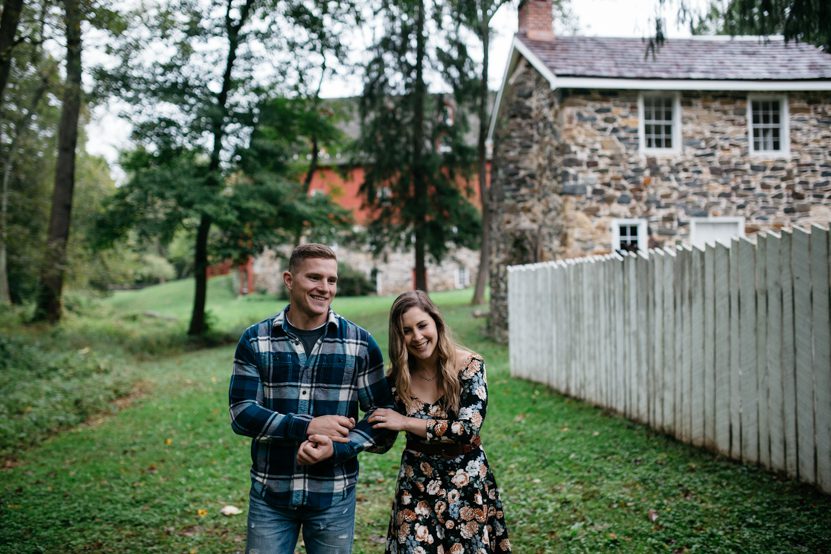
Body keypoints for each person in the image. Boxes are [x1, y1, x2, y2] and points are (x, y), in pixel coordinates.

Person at [229, 243, 395, 554]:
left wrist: (339, 448)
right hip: (271, 494)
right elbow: (241, 413)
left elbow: (383, 419)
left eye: (332, 280)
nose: (325, 288)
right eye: (314, 278)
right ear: (289, 280)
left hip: (334, 498)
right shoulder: (256, 340)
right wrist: (306, 426)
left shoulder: (359, 343)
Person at [369, 290, 512, 553]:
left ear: (436, 323)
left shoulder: (470, 366)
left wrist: (405, 422)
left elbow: (467, 429)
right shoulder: (396, 380)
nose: (417, 337)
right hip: (416, 485)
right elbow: (382, 439)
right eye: (407, 331)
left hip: (466, 481)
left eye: (422, 325)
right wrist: (342, 436)